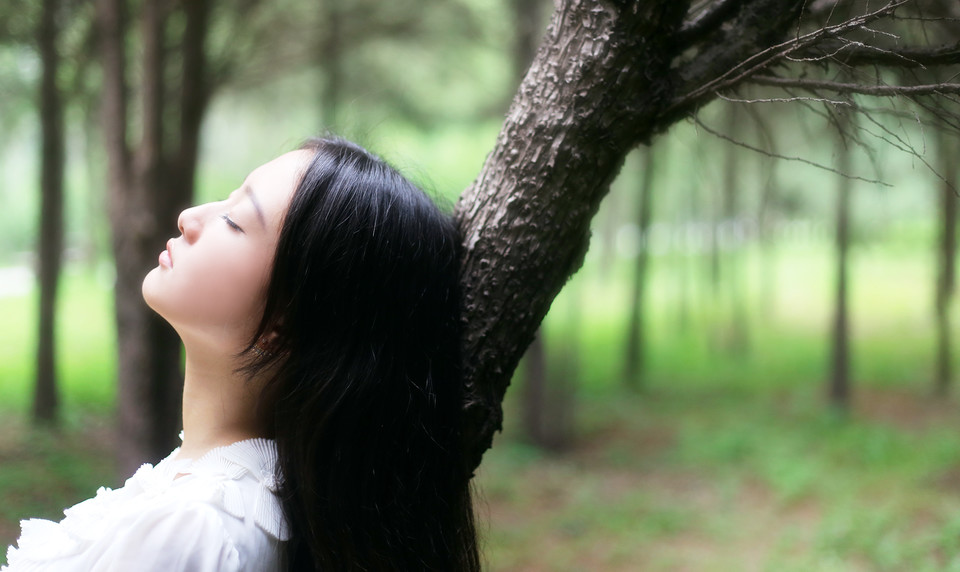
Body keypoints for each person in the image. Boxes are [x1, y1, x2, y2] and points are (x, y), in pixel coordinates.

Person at [3, 137, 481, 571]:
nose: (190, 218)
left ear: (285, 324)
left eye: (234, 220)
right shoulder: (247, 504)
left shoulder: (191, 529)